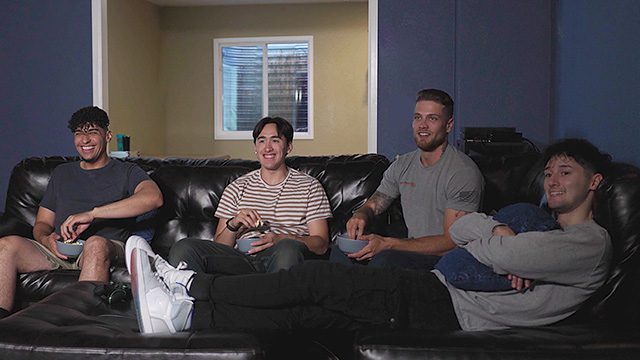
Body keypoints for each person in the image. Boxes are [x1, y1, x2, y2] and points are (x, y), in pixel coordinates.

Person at [128, 138, 612, 333]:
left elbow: (478, 238)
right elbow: (465, 226)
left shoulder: (590, 244)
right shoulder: (537, 223)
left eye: (564, 172)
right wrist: (500, 237)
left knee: (313, 283)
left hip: (448, 306)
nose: (551, 180)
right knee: (307, 311)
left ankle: (190, 289)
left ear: (594, 183)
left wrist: (502, 248)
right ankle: (186, 315)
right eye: (547, 172)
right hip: (442, 290)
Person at [0, 106, 163, 319]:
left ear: (108, 135)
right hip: (60, 251)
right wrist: (46, 239)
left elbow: (154, 198)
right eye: (79, 133)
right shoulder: (62, 173)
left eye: (92, 132)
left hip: (105, 247)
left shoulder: (127, 171)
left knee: (95, 243)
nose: (84, 140)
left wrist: (93, 214)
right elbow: (41, 223)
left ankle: (77, 324)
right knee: (6, 245)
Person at [333, 88, 483, 269]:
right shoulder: (403, 164)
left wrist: (388, 244)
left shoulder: (462, 172)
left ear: (449, 125)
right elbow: (376, 203)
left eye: (432, 118)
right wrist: (361, 214)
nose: (423, 125)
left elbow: (452, 242)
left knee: (384, 261)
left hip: (445, 258)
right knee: (341, 251)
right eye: (418, 117)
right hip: (411, 245)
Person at [166, 116, 332, 274]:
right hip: (240, 260)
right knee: (184, 247)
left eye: (275, 140)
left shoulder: (309, 186)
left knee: (288, 249)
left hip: (282, 256)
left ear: (288, 146)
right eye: (261, 141)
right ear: (255, 148)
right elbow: (221, 245)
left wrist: (284, 238)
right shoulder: (237, 187)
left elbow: (321, 244)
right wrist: (233, 223)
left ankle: (271, 297)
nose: (267, 148)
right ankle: (190, 297)